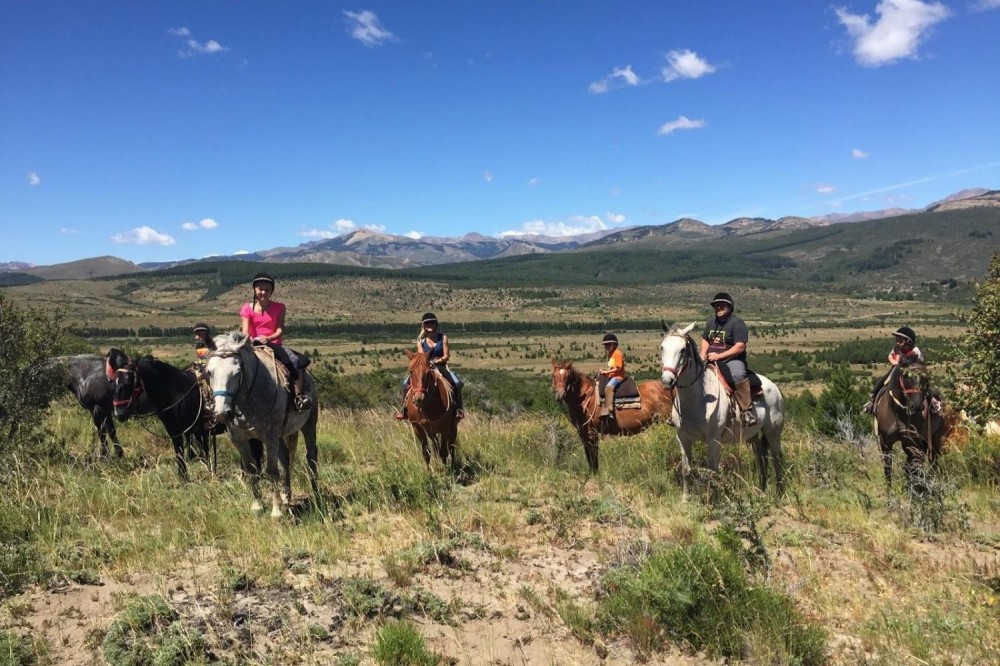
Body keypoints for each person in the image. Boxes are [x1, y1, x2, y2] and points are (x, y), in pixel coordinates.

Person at [240, 272, 311, 411]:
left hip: (274, 343)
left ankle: (298, 396)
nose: (263, 292)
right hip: (253, 344)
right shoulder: (247, 308)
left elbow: (279, 330)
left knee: (296, 361)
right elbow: (245, 332)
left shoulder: (279, 307)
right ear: (254, 289)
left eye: (267, 289)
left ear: (272, 291)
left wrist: (269, 338)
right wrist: (253, 340)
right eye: (260, 289)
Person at [701, 292, 757, 427]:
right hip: (710, 358)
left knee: (738, 374)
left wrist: (719, 356)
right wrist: (702, 353)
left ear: (730, 307)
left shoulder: (737, 323)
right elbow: (705, 339)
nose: (718, 308)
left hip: (732, 359)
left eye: (722, 305)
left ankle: (746, 410)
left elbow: (740, 347)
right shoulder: (711, 323)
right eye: (716, 306)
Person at [396, 312, 463, 421]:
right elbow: (422, 357)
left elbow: (446, 356)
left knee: (456, 382)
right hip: (425, 367)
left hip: (441, 366)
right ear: (424, 326)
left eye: (432, 323)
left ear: (436, 324)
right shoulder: (420, 341)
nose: (430, 326)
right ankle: (404, 410)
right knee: (405, 384)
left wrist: (437, 361)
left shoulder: (443, 338)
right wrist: (428, 363)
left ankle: (457, 409)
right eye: (427, 324)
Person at [863, 326, 942, 414]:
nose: (897, 343)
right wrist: (895, 363)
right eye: (896, 340)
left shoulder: (915, 350)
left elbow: (919, 363)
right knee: (884, 380)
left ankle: (933, 400)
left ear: (908, 342)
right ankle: (873, 399)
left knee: (923, 383)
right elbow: (890, 356)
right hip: (897, 369)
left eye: (900, 341)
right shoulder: (896, 349)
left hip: (912, 371)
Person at [599, 333, 626, 419]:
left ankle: (609, 410)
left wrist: (606, 372)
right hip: (612, 375)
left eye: (609, 344)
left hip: (618, 377)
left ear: (614, 344)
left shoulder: (617, 353)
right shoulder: (610, 354)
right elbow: (611, 367)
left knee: (608, 387)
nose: (607, 346)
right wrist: (604, 372)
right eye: (605, 345)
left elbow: (618, 368)